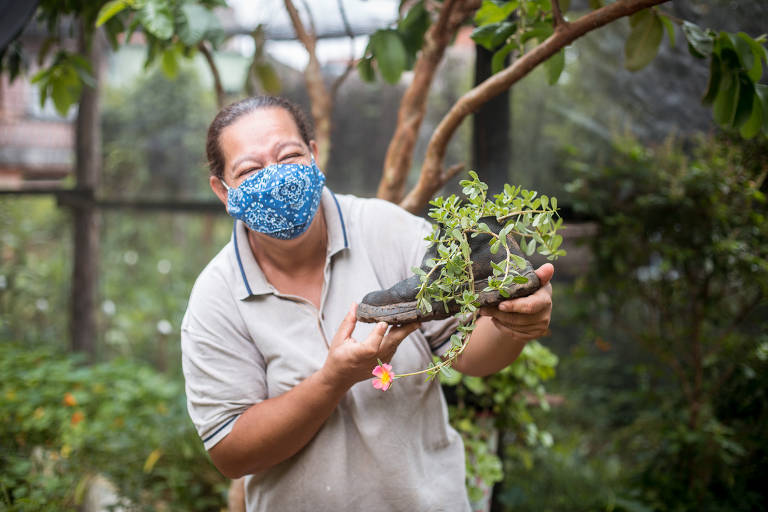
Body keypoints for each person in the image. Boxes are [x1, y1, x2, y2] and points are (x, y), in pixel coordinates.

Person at [181, 96, 554, 511]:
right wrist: (332, 380)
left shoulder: (385, 230)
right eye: (250, 170)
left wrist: (511, 324)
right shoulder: (217, 297)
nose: (275, 177)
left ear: (314, 153)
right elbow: (232, 453)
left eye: (288, 155)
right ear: (222, 189)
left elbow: (470, 358)